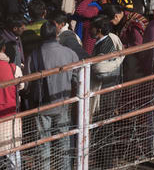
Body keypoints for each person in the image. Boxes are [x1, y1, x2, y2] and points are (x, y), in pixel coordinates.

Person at [24, 21, 79, 170]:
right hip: (63, 103)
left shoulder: (33, 56)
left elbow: (27, 85)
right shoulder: (69, 53)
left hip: (42, 106)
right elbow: (77, 78)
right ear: (56, 34)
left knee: (43, 144)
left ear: (41, 36)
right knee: (64, 141)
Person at [87, 16, 124, 116]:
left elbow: (98, 68)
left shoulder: (103, 48)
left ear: (99, 30)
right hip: (111, 84)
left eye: (91, 28)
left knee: (104, 115)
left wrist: (91, 66)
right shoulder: (112, 38)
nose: (89, 30)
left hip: (104, 87)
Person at [0, 40, 22, 169]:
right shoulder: (14, 68)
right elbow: (22, 86)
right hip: (9, 116)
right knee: (13, 154)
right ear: (3, 48)